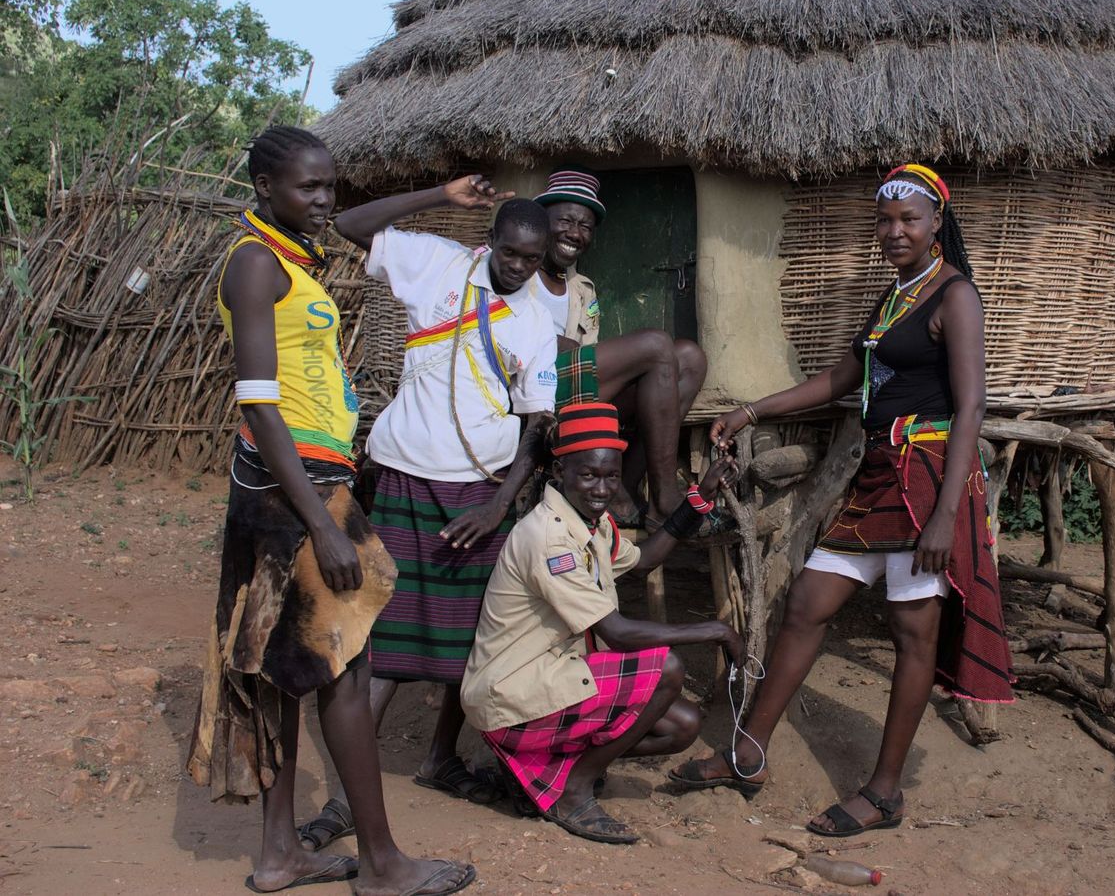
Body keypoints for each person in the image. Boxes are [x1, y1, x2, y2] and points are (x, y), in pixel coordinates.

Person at [668, 164, 1014, 837]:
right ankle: (749, 751)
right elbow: (839, 378)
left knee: (913, 631)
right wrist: (750, 411)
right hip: (882, 471)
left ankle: (885, 792)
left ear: (937, 222)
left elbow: (972, 405)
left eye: (909, 219)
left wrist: (946, 512)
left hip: (927, 481)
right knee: (807, 602)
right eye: (885, 221)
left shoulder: (955, 297)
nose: (894, 231)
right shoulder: (896, 297)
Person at [186, 125, 476, 896]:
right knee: (346, 670)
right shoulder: (253, 265)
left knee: (287, 671)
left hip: (303, 481)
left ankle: (281, 854)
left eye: (329, 186)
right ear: (264, 189)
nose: (324, 200)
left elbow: (354, 224)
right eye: (308, 188)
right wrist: (319, 518)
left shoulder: (286, 257)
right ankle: (382, 864)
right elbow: (259, 407)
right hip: (295, 489)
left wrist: (442, 196)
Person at [292, 192, 559, 850]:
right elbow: (348, 223)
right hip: (405, 476)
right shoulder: (437, 264)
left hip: (480, 493)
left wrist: (498, 505)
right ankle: (347, 800)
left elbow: (538, 427)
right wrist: (440, 195)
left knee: (472, 641)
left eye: (532, 257)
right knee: (382, 643)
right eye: (510, 252)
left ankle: (440, 756)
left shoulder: (537, 323)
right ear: (486, 240)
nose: (520, 267)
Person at [461, 402, 744, 844]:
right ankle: (573, 790)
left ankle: (552, 772)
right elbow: (616, 632)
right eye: (588, 475)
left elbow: (647, 559)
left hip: (554, 681)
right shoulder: (550, 537)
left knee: (683, 725)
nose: (602, 487)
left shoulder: (591, 525)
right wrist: (715, 629)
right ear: (561, 472)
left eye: (611, 476)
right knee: (666, 668)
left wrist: (700, 498)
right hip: (511, 698)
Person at [530, 168, 707, 525]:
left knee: (689, 357)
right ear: (540, 222)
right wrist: (555, 346)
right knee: (657, 344)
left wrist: (565, 348)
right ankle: (667, 497)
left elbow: (585, 360)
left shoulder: (583, 290)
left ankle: (629, 486)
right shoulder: (518, 272)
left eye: (585, 227)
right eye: (564, 220)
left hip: (575, 395)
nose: (574, 233)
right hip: (534, 396)